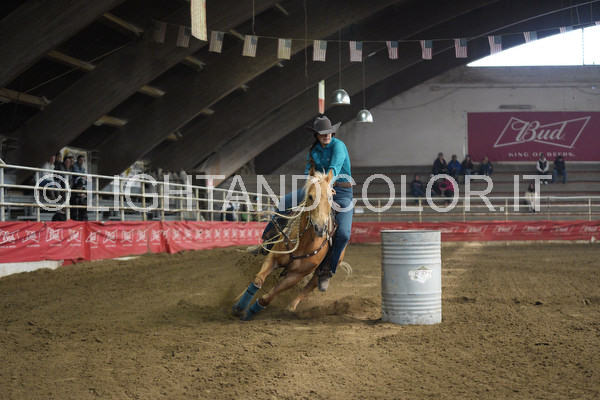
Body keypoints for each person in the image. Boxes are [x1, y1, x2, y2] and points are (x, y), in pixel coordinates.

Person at [260, 116, 353, 292]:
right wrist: (315, 186)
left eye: (329, 132)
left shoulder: (339, 146)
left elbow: (335, 167)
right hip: (317, 189)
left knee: (343, 234)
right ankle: (268, 240)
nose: (326, 135)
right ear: (316, 135)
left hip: (341, 192)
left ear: (332, 133)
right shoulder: (313, 151)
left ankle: (327, 270)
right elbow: (307, 172)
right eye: (322, 133)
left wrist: (328, 186)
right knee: (285, 202)